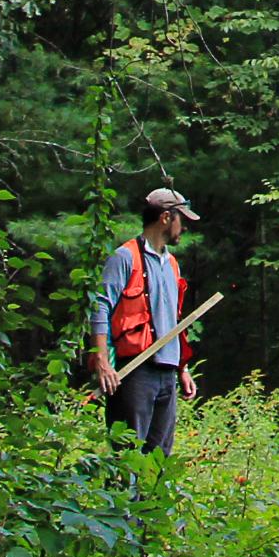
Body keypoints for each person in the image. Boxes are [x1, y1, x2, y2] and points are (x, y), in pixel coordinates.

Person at [94, 186, 200, 453]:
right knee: (128, 454)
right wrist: (102, 362)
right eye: (181, 220)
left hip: (167, 372)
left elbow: (172, 320)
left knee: (158, 458)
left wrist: (183, 369)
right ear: (165, 218)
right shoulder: (125, 257)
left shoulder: (172, 263)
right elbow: (99, 308)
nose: (184, 228)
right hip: (135, 370)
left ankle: (151, 497)